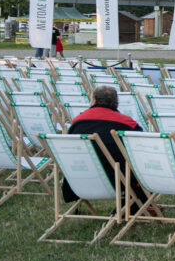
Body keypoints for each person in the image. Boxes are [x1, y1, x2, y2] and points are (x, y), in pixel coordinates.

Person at [62, 85, 151, 213]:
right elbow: (142, 151)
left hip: (79, 179)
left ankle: (125, 208)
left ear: (93, 100)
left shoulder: (77, 123)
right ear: (116, 103)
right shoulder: (127, 123)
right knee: (146, 173)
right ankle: (128, 208)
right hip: (118, 181)